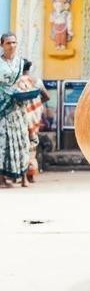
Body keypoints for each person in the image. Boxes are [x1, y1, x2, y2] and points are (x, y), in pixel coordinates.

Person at [0, 33, 31, 188]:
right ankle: (2, 178)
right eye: (8, 43)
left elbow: (23, 80)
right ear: (2, 45)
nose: (11, 46)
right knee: (4, 142)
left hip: (18, 106)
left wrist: (24, 87)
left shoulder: (20, 62)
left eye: (14, 43)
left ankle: (24, 176)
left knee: (22, 141)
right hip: (2, 106)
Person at [15, 59, 48, 183]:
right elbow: (47, 96)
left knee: (21, 145)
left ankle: (21, 175)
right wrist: (37, 105)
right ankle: (31, 175)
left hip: (22, 117)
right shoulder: (36, 81)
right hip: (35, 117)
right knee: (32, 146)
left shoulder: (17, 82)